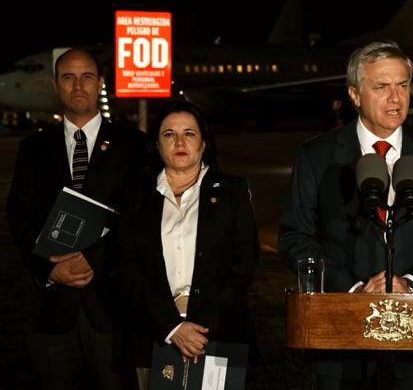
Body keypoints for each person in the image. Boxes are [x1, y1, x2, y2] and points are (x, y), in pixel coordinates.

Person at [278, 41, 413, 389]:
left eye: (402, 85)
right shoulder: (316, 156)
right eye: (381, 87)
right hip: (340, 341)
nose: (396, 98)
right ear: (354, 94)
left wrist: (411, 284)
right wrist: (353, 289)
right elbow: (295, 238)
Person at [6, 48, 147, 389]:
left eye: (87, 77)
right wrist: (48, 269)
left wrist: (94, 259)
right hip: (51, 313)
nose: (78, 85)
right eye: (68, 77)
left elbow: (141, 220)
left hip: (113, 309)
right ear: (55, 85)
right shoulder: (32, 149)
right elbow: (19, 217)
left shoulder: (135, 146)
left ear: (100, 83)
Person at [114, 100, 260, 389]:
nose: (180, 142)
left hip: (217, 333)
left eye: (189, 133)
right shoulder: (135, 197)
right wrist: (172, 327)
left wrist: (200, 328)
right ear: (157, 145)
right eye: (169, 134)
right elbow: (125, 268)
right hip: (153, 335)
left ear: (203, 143)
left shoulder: (231, 191)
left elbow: (245, 264)